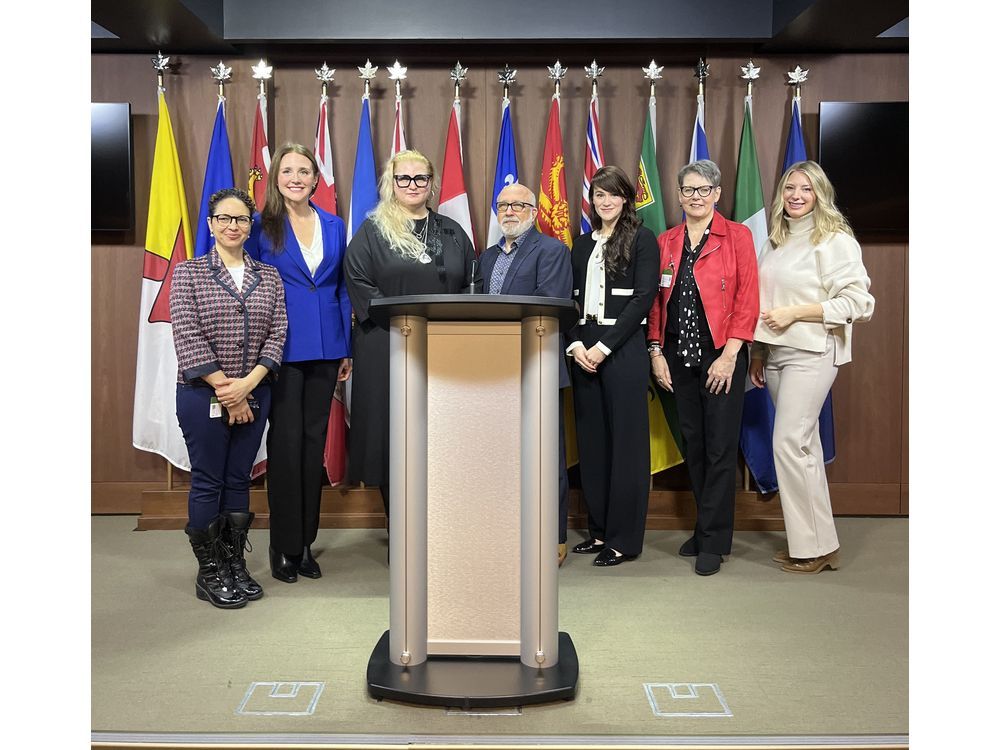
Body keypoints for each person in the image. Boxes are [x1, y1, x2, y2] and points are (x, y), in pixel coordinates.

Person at [749, 160, 875, 574]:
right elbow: (765, 304)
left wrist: (797, 313)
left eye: (806, 188)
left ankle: (809, 548)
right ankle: (820, 544)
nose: (796, 196)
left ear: (821, 193)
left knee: (789, 442)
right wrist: (759, 353)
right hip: (776, 356)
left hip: (814, 351)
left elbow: (860, 303)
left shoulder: (834, 239)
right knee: (804, 449)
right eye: (789, 188)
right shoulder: (775, 241)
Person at [344, 149, 479, 521]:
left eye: (421, 178)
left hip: (444, 349)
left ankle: (440, 529)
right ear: (392, 183)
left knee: (439, 440)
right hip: (388, 347)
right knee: (395, 439)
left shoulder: (453, 232)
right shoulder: (372, 231)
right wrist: (406, 320)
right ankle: (402, 531)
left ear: (432, 184)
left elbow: (472, 284)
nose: (413, 185)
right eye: (404, 178)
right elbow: (359, 283)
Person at [171, 187, 287, 608]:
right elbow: (187, 335)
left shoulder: (269, 276)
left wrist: (248, 385)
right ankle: (209, 572)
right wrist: (229, 389)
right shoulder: (189, 273)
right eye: (224, 218)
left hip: (257, 391)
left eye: (241, 219)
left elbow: (278, 334)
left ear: (250, 225)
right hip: (201, 394)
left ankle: (234, 563)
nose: (233, 226)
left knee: (239, 479)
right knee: (208, 480)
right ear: (211, 224)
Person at [245, 143, 352, 584]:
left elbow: (342, 287)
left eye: (303, 171)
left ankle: (305, 543)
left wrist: (346, 346)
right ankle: (281, 546)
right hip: (280, 349)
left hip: (327, 349)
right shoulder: (258, 225)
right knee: (285, 448)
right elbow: (249, 287)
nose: (295, 177)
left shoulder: (334, 223)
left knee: (313, 448)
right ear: (276, 178)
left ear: (315, 179)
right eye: (286, 170)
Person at [647, 160, 759, 576]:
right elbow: (657, 302)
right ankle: (705, 526)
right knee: (693, 445)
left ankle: (714, 540)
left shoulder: (738, 236)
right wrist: (656, 352)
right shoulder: (667, 241)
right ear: (678, 196)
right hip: (679, 357)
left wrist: (731, 356)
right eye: (688, 190)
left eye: (703, 189)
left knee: (719, 449)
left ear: (717, 193)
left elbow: (748, 298)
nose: (695, 196)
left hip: (720, 355)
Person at [566, 165, 658, 567]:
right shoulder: (582, 244)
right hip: (583, 350)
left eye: (613, 194)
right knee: (593, 443)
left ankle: (623, 539)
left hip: (621, 349)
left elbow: (643, 299)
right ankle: (600, 530)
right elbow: (567, 299)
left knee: (626, 447)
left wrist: (603, 347)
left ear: (626, 198)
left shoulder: (642, 239)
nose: (605, 202)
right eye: (599, 195)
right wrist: (575, 344)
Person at [481, 182, 573, 566]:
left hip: (536, 365)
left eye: (519, 205)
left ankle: (552, 537)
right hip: (491, 373)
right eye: (503, 205)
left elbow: (547, 307)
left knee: (544, 456)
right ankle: (505, 533)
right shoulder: (485, 258)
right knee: (500, 458)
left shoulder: (551, 250)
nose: (510, 211)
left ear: (534, 212)